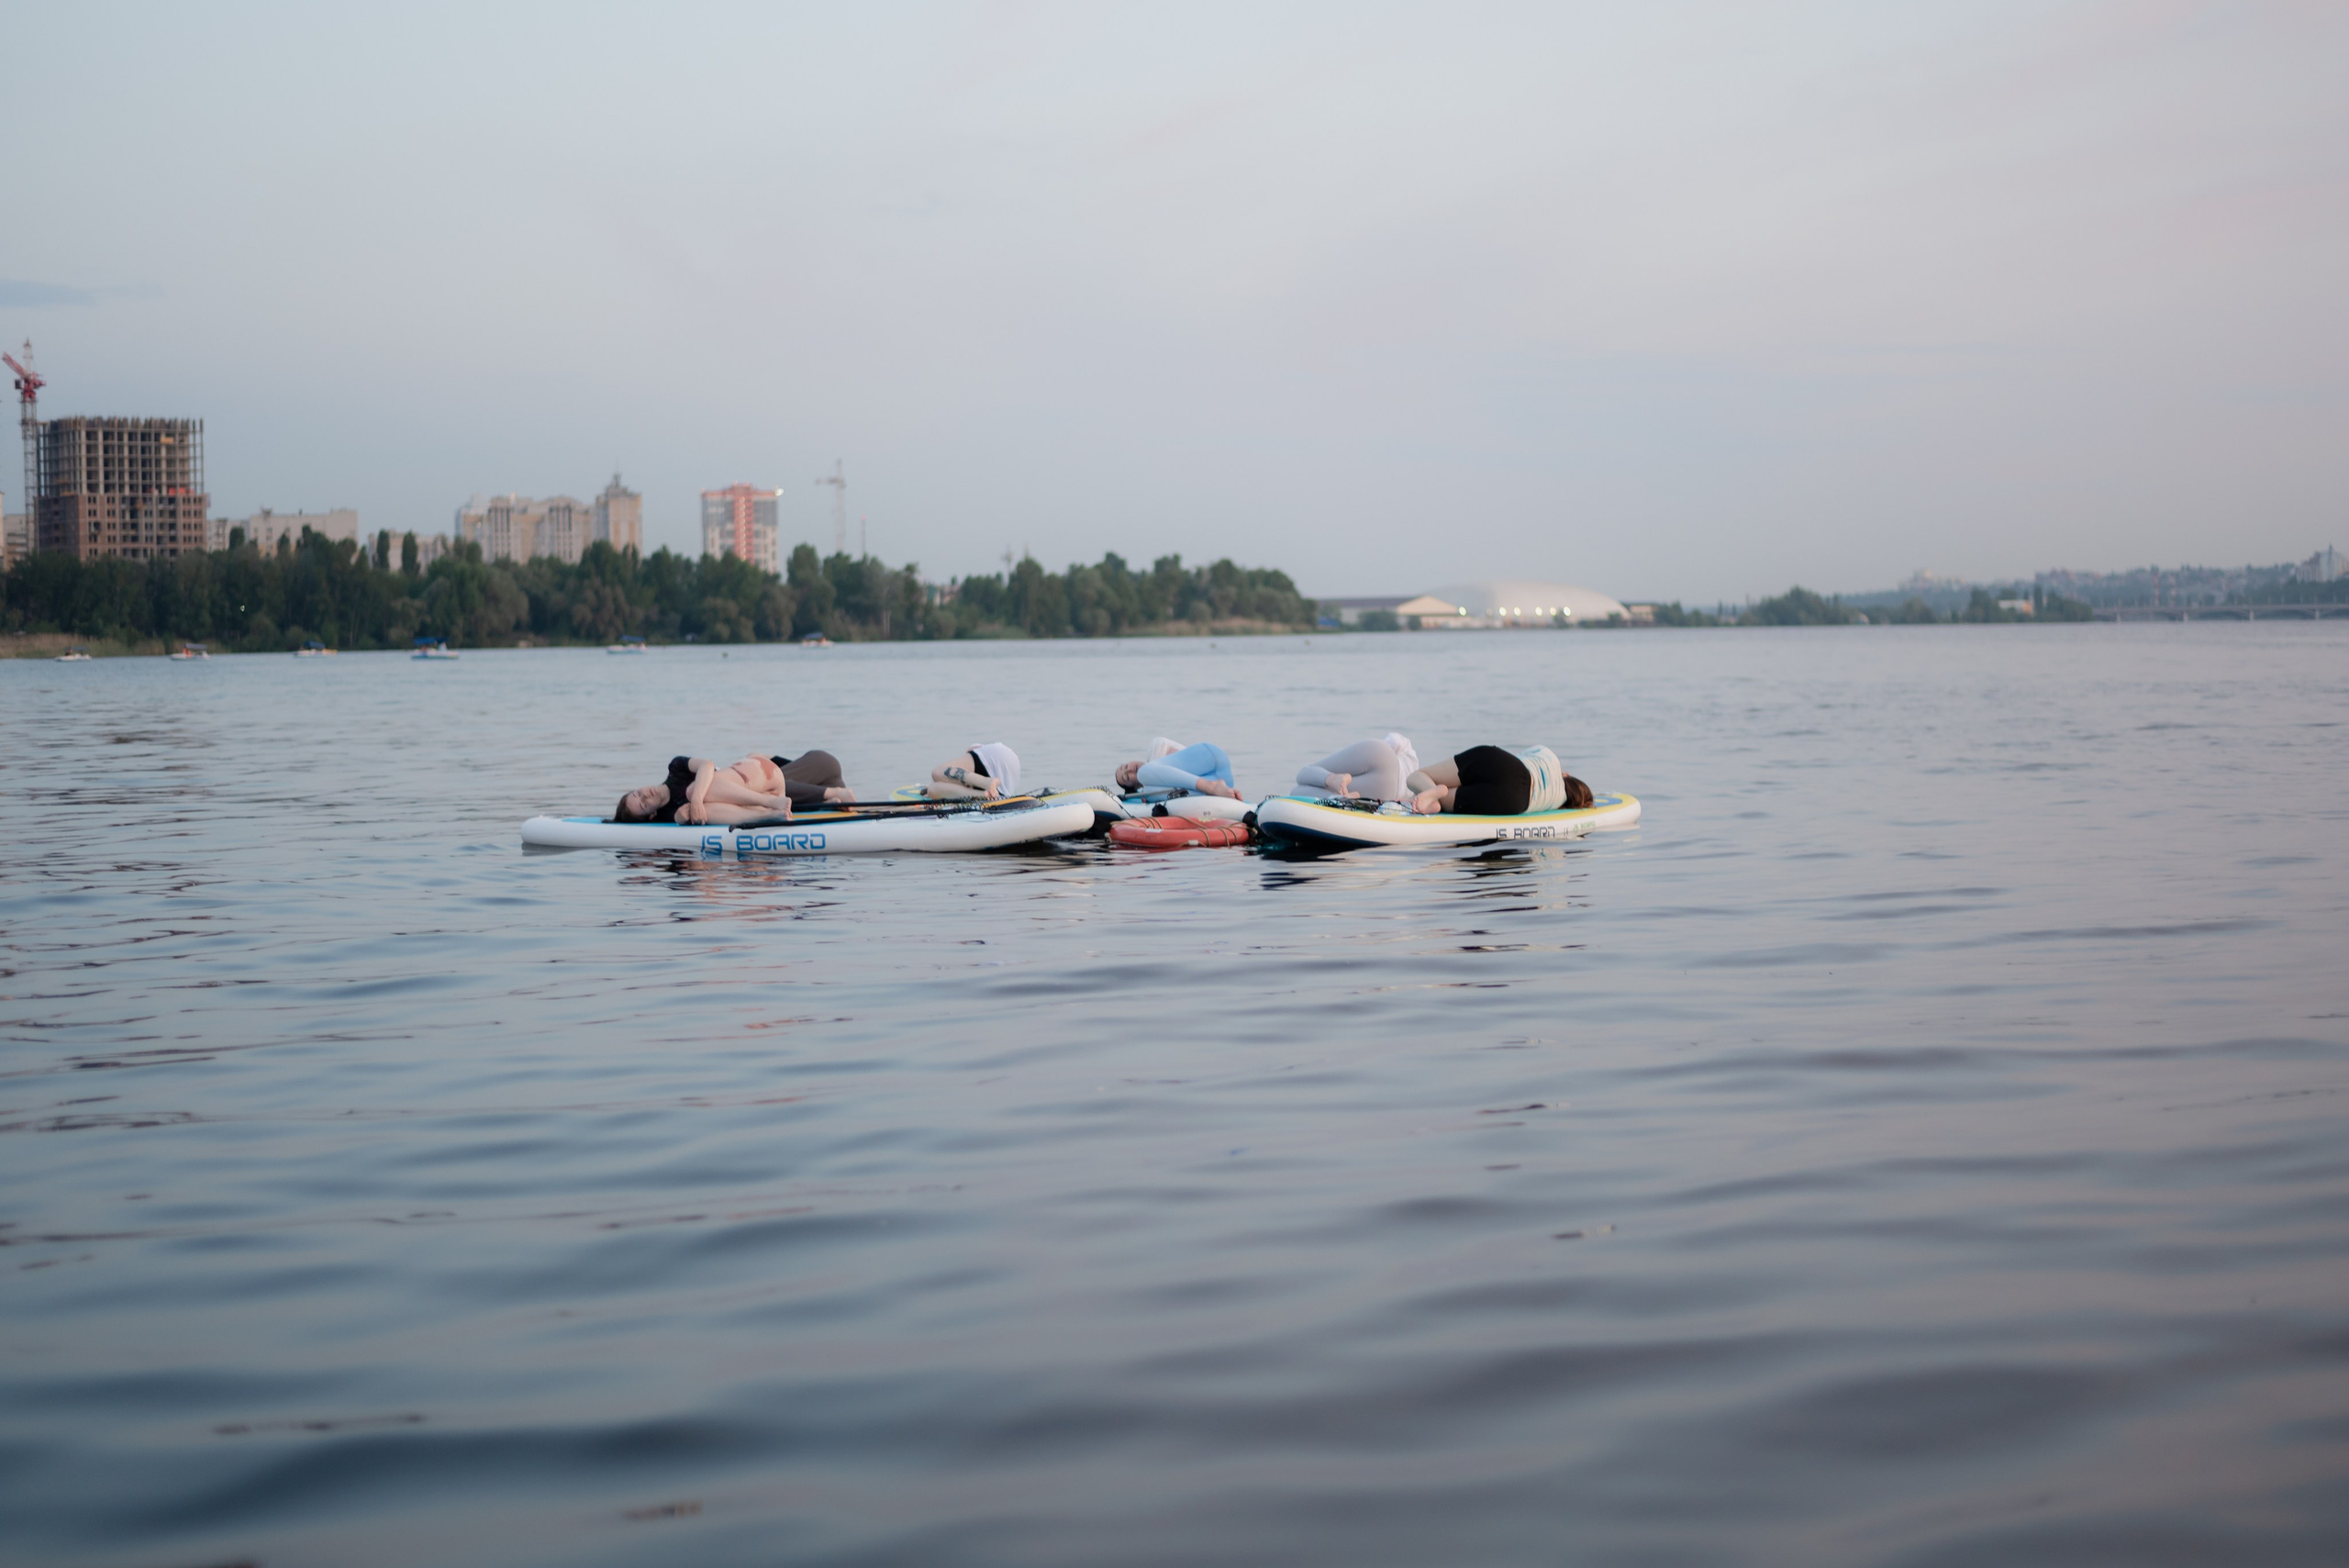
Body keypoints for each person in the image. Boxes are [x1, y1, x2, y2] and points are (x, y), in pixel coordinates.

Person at [612, 751, 852, 825]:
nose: (645, 795)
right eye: (643, 804)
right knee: (703, 808)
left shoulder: (675, 769)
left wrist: (696, 801)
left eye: (638, 793)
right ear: (651, 814)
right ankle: (775, 813)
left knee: (695, 792)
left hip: (755, 782)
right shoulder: (668, 817)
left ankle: (831, 794)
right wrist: (684, 816)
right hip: (759, 798)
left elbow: (707, 765)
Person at [1407, 745, 1593, 816]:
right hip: (1514, 800)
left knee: (1417, 777)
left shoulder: (1551, 759)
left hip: (1507, 765)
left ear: (1566, 776)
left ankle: (1431, 790)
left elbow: (1519, 758)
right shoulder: (1554, 803)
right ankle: (1435, 802)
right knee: (1444, 802)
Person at [1295, 733, 1419, 803]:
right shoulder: (1418, 789)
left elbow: (1395, 741)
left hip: (1383, 756)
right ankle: (1338, 798)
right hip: (1386, 794)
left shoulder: (1411, 757)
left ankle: (1332, 778)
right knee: (1298, 792)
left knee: (1304, 775)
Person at [1114, 738, 1241, 798]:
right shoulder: (1150, 788)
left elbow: (1160, 743)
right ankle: (1214, 788)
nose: (1129, 769)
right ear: (1136, 788)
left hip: (1210, 758)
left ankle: (1210, 787)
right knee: (1151, 792)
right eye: (1127, 777)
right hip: (1224, 782)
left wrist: (1148, 780)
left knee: (1145, 774)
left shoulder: (1154, 752)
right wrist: (1147, 793)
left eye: (1125, 766)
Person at [930, 741, 1022, 801]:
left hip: (995, 758)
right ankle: (984, 794)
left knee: (937, 772)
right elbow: (935, 788)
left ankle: (986, 781)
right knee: (932, 789)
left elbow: (974, 748)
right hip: (1004, 784)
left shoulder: (979, 751)